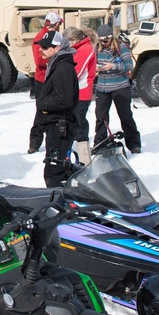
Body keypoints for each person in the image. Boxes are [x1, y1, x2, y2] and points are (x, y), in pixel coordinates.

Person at [35, 30, 79, 188]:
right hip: (55, 125)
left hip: (60, 127)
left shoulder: (63, 69)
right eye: (41, 46)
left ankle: (58, 205)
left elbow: (64, 100)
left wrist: (43, 103)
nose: (41, 49)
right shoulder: (57, 64)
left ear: (58, 48)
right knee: (56, 169)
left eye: (46, 47)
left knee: (54, 172)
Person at [93, 24, 141, 153]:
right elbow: (91, 63)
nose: (104, 43)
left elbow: (129, 66)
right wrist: (96, 68)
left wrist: (112, 66)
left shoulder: (121, 46)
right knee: (101, 117)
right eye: (101, 40)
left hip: (120, 87)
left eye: (106, 40)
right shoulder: (96, 48)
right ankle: (99, 143)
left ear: (111, 38)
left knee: (125, 116)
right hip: (102, 88)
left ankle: (134, 143)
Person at [29, 11, 63, 152]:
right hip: (43, 80)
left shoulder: (57, 37)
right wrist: (56, 60)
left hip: (54, 79)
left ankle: (55, 140)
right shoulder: (40, 38)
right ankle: (35, 143)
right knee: (42, 112)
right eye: (58, 24)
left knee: (57, 111)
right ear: (54, 25)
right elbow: (39, 61)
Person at [63, 26, 97, 165]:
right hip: (74, 92)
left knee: (80, 124)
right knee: (73, 122)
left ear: (75, 39)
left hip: (82, 93)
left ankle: (84, 159)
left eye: (67, 42)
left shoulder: (86, 49)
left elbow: (77, 71)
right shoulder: (77, 49)